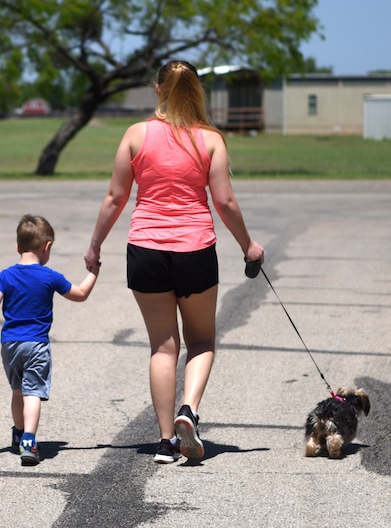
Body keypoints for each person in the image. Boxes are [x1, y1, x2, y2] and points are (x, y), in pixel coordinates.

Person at [83, 60, 265, 464]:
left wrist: (95, 245)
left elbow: (115, 198)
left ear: (158, 89)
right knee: (200, 340)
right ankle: (189, 411)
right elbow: (225, 201)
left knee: (163, 347)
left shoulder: (136, 135)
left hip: (145, 251)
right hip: (195, 250)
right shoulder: (211, 140)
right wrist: (248, 245)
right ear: (197, 91)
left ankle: (165, 443)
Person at [0, 214, 99, 466]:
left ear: (17, 247)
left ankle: (18, 434)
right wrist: (93, 272)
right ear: (47, 247)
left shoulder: (5, 276)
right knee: (33, 393)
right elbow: (80, 294)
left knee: (18, 390)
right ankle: (29, 441)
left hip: (9, 345)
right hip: (36, 345)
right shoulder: (49, 276)